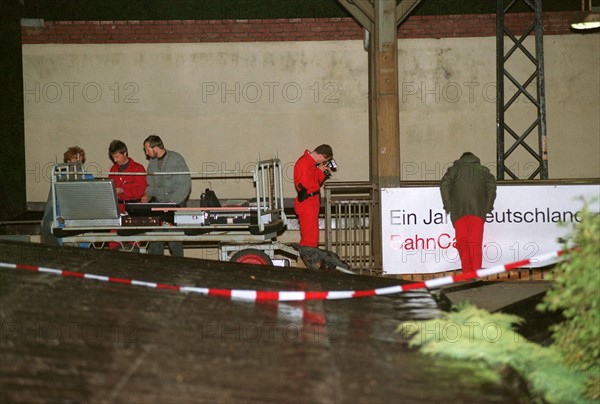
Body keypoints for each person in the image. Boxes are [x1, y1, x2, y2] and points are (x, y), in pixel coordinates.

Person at [440, 151, 497, 275]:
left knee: (463, 243)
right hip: (478, 211)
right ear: (475, 159)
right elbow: (492, 187)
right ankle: (475, 272)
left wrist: (448, 206)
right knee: (475, 243)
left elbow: (444, 185)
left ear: (461, 159)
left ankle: (467, 272)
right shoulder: (484, 171)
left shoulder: (454, 170)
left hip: (458, 211)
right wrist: (488, 207)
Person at [141, 134, 191, 257]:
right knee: (155, 238)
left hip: (175, 206)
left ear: (155, 148)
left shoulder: (176, 160)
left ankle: (178, 266)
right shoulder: (152, 164)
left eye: (147, 150)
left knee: (174, 239)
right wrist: (147, 195)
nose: (146, 153)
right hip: (159, 204)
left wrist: (172, 205)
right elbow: (151, 184)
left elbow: (185, 186)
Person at [293, 144, 334, 248]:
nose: (323, 163)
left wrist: (321, 173)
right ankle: (306, 262)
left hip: (311, 202)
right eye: (324, 160)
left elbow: (314, 182)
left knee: (312, 237)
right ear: (322, 156)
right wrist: (319, 171)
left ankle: (308, 261)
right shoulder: (304, 163)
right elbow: (307, 186)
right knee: (309, 240)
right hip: (307, 203)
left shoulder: (310, 163)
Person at [108, 140, 147, 214]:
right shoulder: (113, 169)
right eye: (113, 157)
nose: (115, 160)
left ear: (125, 153)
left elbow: (141, 190)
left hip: (135, 210)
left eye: (117, 156)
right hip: (118, 210)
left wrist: (123, 190)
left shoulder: (138, 168)